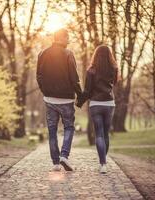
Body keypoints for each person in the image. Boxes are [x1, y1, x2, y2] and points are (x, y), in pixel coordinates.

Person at [36, 29, 82, 171]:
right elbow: (74, 78)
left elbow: (39, 76)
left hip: (49, 99)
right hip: (66, 99)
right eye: (67, 38)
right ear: (61, 38)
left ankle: (56, 163)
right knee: (69, 127)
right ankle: (64, 156)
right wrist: (80, 94)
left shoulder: (43, 54)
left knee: (52, 130)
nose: (68, 41)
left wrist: (45, 91)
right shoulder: (68, 54)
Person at [77, 45, 118, 174]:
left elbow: (88, 91)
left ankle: (103, 164)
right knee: (105, 134)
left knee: (99, 134)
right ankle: (103, 162)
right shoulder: (114, 69)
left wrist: (80, 101)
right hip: (109, 103)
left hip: (95, 104)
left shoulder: (91, 71)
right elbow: (114, 83)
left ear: (96, 55)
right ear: (109, 55)